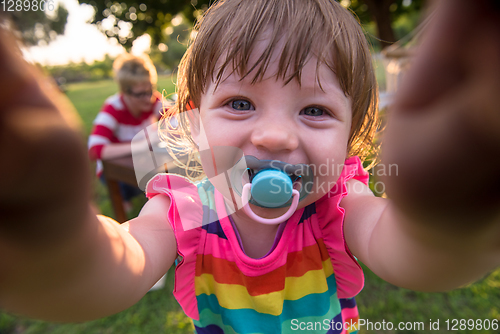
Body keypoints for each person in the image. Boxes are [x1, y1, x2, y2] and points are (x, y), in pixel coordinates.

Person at [0, 0, 499, 333]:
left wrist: (450, 215)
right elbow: (116, 268)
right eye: (240, 103)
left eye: (315, 111)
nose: (276, 136)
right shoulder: (187, 210)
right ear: (193, 119)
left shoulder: (339, 206)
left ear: (352, 133)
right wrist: (50, 240)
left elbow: (417, 256)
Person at [88, 53, 164, 209]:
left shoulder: (154, 101)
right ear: (125, 92)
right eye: (140, 94)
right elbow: (95, 150)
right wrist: (140, 145)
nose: (147, 98)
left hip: (142, 161)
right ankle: (124, 198)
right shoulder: (113, 108)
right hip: (117, 166)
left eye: (150, 90)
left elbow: (177, 121)